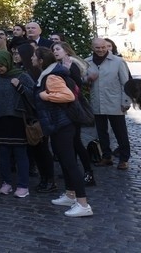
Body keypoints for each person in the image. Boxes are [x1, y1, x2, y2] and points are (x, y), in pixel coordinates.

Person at [32, 47, 93, 217]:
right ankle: (70, 194)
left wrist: (45, 96)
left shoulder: (51, 76)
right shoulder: (49, 73)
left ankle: (83, 203)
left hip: (62, 124)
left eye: (33, 56)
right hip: (59, 123)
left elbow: (68, 96)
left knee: (69, 162)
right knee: (65, 160)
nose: (31, 58)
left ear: (41, 60)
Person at [0, 50, 35, 198]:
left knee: (19, 153)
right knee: (3, 153)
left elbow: (34, 94)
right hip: (0, 120)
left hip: (17, 119)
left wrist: (20, 87)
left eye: (1, 66)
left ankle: (23, 185)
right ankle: (6, 182)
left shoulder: (21, 75)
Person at [52, 41, 94, 185]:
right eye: (53, 50)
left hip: (74, 105)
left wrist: (67, 71)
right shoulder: (58, 65)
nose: (55, 52)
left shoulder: (71, 64)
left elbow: (77, 84)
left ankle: (88, 173)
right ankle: (72, 170)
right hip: (66, 105)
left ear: (66, 51)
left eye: (58, 49)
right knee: (71, 142)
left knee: (76, 141)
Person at [86, 38, 131, 170]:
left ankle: (124, 159)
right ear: (92, 48)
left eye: (103, 47)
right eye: (97, 48)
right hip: (97, 101)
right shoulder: (87, 61)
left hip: (115, 102)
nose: (100, 50)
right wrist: (88, 79)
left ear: (107, 47)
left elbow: (126, 83)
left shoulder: (118, 61)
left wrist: (126, 101)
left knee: (120, 132)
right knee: (101, 131)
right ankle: (106, 156)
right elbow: (83, 80)